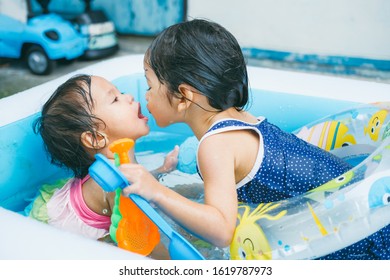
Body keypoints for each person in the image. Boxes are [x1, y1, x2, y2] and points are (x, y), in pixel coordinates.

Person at [119, 19, 389, 259]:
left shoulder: (215, 146)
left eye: (150, 85)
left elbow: (221, 230)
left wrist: (157, 192)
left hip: (357, 244)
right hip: (376, 225)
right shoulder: (244, 120)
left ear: (183, 97)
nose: (146, 95)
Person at [30, 74, 179, 259]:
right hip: (62, 230)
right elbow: (144, 245)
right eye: (116, 99)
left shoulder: (122, 160)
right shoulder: (114, 180)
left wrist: (161, 170)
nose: (129, 96)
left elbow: (141, 185)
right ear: (96, 138)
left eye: (122, 92)